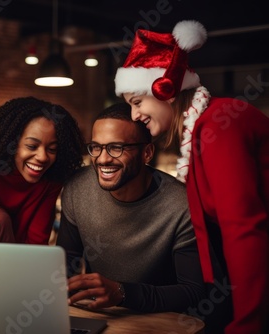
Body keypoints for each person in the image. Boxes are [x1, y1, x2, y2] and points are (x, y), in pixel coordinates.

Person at [114, 20, 268, 333]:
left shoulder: (218, 126)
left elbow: (244, 228)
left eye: (137, 102)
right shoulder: (200, 131)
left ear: (165, 90)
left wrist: (249, 324)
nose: (134, 115)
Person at [56, 103, 205, 316]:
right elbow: (66, 266)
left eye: (116, 148)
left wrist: (123, 293)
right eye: (96, 147)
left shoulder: (181, 204)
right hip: (99, 317)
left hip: (159, 322)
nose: (103, 159)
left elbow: (193, 291)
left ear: (147, 152)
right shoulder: (77, 188)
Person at [0, 96, 85, 244]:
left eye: (52, 149)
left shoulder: (51, 176)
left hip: (13, 261)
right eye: (31, 146)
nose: (42, 157)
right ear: (10, 142)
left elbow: (36, 243)